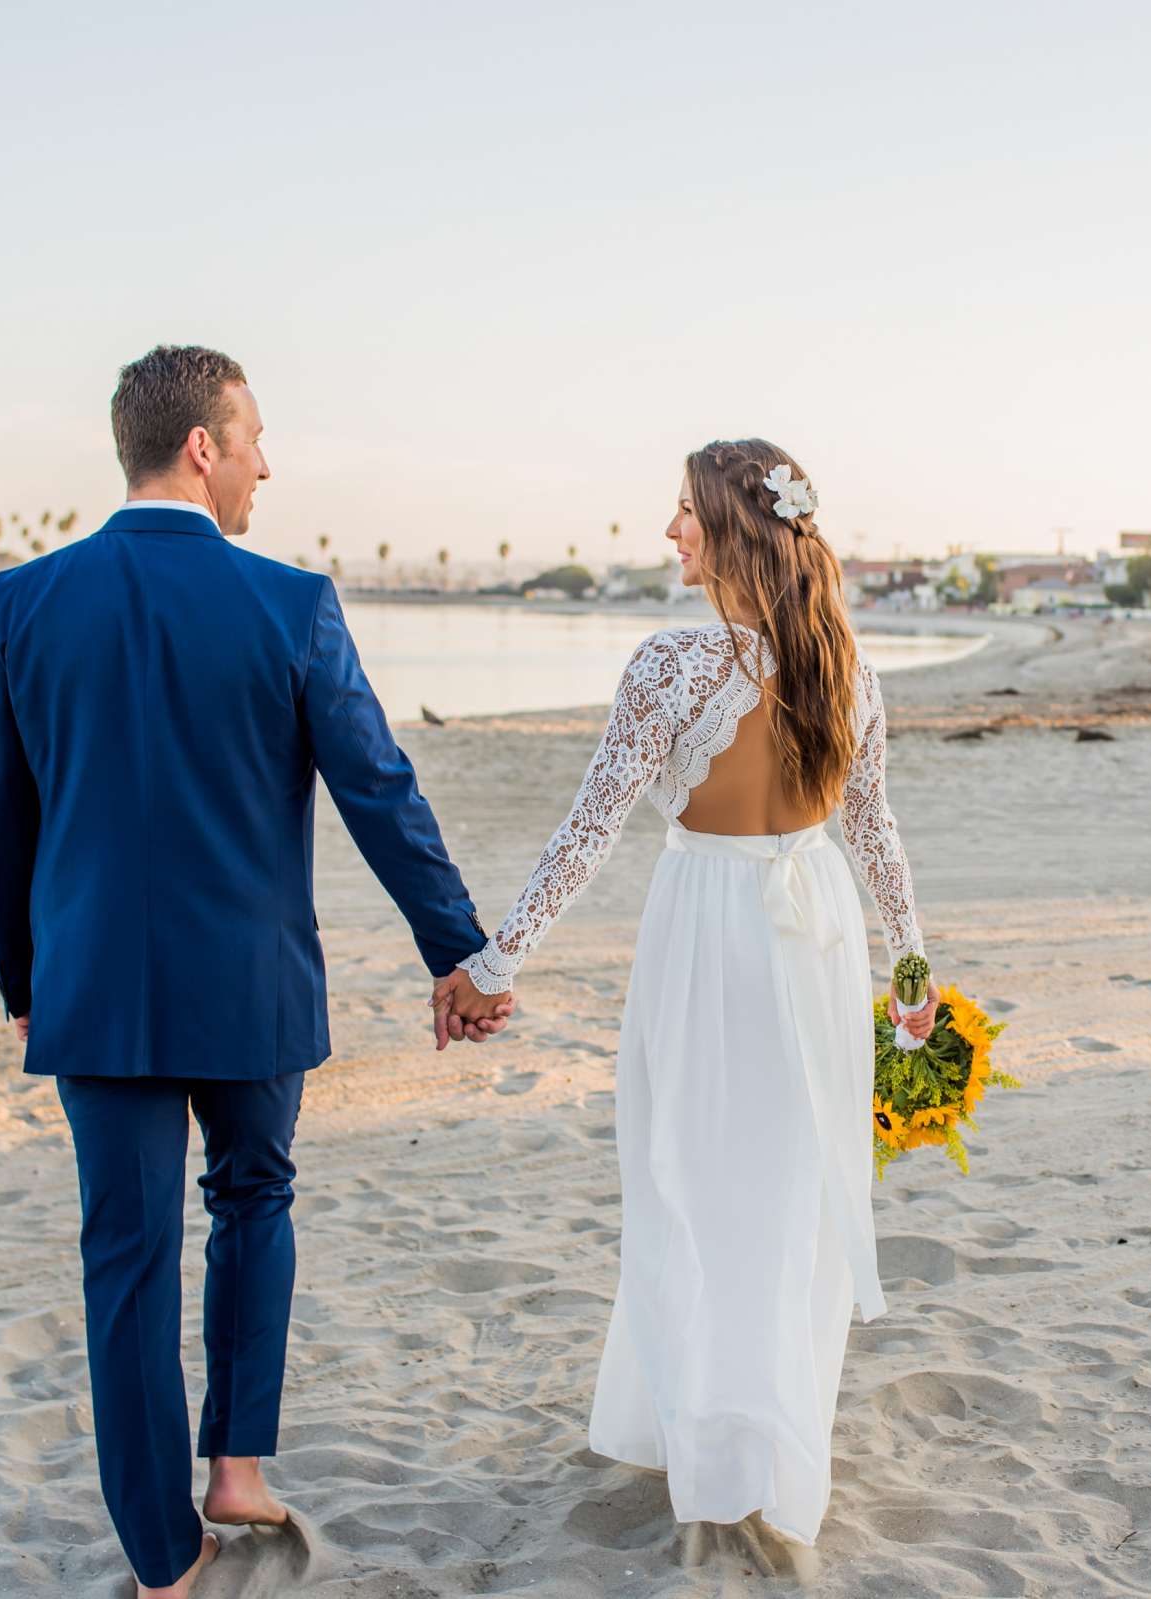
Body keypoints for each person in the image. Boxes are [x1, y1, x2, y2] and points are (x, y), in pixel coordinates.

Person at [0, 344, 511, 1598]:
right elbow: (382, 792)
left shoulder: (20, 602)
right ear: (202, 447)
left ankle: (165, 1557)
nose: (269, 459)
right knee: (255, 1200)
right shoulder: (291, 604)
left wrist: (24, 976)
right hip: (252, 987)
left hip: (93, 991)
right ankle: (239, 1469)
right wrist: (459, 954)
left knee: (127, 1258)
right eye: (255, 435)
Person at [435, 438, 937, 1562]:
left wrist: (495, 963)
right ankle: (765, 1438)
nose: (669, 533)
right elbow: (876, 839)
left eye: (685, 514)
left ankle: (719, 1452)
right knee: (786, 1186)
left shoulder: (670, 665)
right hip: (813, 937)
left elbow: (592, 830)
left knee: (692, 1182)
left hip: (711, 936)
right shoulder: (847, 666)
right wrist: (913, 981)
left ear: (733, 530)